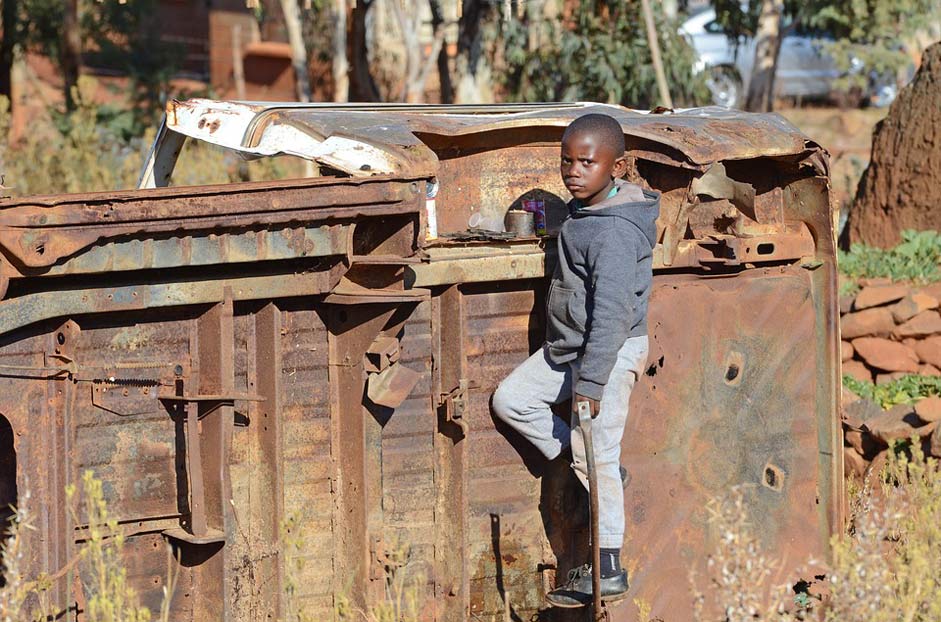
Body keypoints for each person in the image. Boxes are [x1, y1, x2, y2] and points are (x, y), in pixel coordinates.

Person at [491, 113, 659, 608]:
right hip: (569, 351)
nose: (574, 171)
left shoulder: (615, 232)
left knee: (598, 454)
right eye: (567, 161)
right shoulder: (585, 211)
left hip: (606, 354)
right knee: (512, 401)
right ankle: (592, 465)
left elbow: (611, 315)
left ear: (617, 166)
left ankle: (608, 568)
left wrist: (591, 384)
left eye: (587, 162)